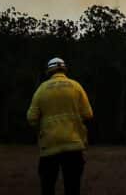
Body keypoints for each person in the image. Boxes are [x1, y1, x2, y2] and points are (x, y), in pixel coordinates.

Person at [27, 57, 93, 195]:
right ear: (64, 70)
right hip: (74, 144)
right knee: (73, 187)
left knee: (47, 187)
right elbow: (88, 114)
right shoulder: (76, 86)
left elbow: (31, 118)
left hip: (49, 147)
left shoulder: (41, 89)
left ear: (49, 71)